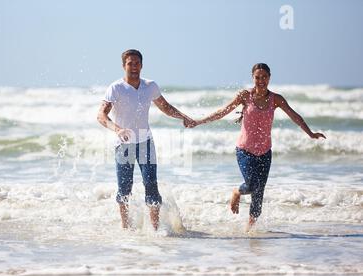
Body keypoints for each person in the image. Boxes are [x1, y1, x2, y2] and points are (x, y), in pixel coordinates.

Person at [186, 63, 326, 230]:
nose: (261, 80)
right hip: (244, 150)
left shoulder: (276, 99)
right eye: (257, 77)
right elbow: (223, 112)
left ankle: (249, 231)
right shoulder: (245, 96)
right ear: (252, 78)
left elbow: (294, 116)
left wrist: (310, 133)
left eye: (264, 77)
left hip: (265, 152)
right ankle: (237, 192)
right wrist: (198, 122)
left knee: (258, 196)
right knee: (251, 185)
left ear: (269, 78)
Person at [97, 49, 195, 230]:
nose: (133, 67)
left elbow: (165, 107)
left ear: (141, 65)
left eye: (137, 63)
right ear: (123, 66)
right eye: (129, 63)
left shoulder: (150, 86)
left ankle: (155, 229)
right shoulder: (115, 88)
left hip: (146, 143)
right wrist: (117, 129)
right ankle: (126, 228)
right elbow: (101, 116)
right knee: (125, 188)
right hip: (124, 145)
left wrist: (183, 117)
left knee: (151, 185)